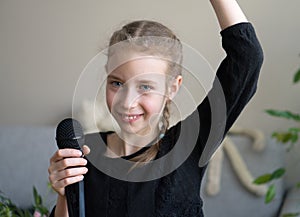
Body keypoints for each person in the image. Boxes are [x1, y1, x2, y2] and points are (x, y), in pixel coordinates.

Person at [48, 0, 264, 216]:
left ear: (172, 88)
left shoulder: (189, 143)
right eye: (117, 83)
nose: (127, 102)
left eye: (145, 86)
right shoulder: (85, 154)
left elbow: (247, 58)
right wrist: (64, 194)